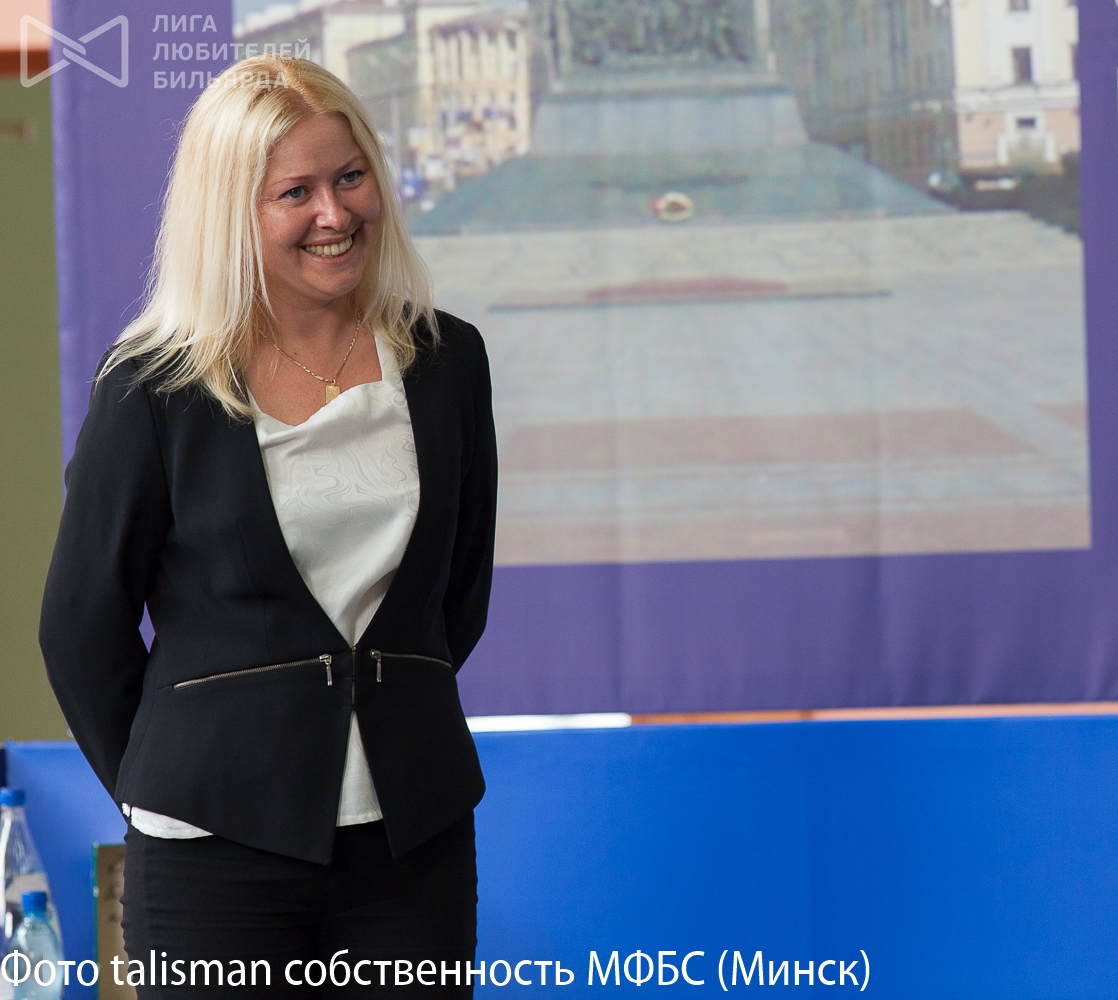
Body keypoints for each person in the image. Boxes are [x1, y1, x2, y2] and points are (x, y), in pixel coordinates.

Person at [38, 56, 496, 995]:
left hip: (413, 841)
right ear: (230, 214)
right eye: (296, 192)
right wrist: (170, 779)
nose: (335, 213)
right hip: (211, 851)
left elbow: (457, 596)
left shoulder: (449, 360)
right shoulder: (153, 386)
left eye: (351, 177)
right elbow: (80, 628)